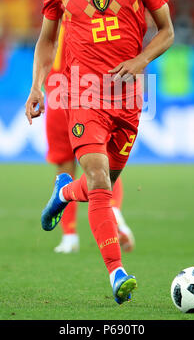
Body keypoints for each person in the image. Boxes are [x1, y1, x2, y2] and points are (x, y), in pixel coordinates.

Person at [25, 0, 174, 304]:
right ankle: (116, 273)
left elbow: (167, 32)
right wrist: (37, 86)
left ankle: (63, 194)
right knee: (99, 182)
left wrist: (141, 59)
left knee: (95, 189)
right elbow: (46, 40)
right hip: (81, 94)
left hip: (127, 100)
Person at [44, 25, 135, 254]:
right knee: (101, 157)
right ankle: (113, 211)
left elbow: (46, 45)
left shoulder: (63, 6)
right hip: (91, 85)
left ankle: (70, 236)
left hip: (61, 85)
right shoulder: (92, 10)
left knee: (66, 164)